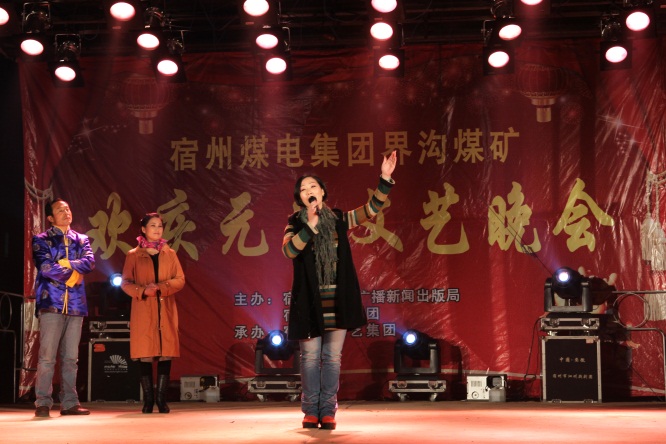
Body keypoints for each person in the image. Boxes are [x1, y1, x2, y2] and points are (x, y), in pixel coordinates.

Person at [282, 150, 397, 430]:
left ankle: (328, 410)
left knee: (331, 359)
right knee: (310, 359)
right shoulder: (294, 222)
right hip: (309, 302)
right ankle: (310, 410)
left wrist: (384, 178)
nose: (309, 191)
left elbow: (371, 209)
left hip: (337, 300)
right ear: (300, 198)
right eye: (303, 189)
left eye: (313, 186)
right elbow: (289, 251)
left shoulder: (338, 219)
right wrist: (309, 225)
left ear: (322, 192)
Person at [32, 198, 96, 418]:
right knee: (47, 357)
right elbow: (46, 267)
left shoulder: (82, 239)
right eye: (60, 210)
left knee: (71, 358)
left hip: (76, 304)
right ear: (50, 217)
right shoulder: (42, 239)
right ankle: (43, 402)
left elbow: (89, 262)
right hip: (51, 302)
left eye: (68, 209)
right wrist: (73, 275)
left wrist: (67, 263)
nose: (66, 212)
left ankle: (69, 403)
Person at [121, 212, 185, 414]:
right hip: (144, 308)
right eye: (153, 225)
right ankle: (148, 400)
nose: (157, 229)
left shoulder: (170, 253)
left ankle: (161, 399)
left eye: (160, 226)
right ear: (143, 229)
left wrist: (162, 287)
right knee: (145, 353)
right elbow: (125, 283)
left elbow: (180, 279)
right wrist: (142, 291)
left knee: (166, 353)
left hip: (165, 307)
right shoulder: (133, 255)